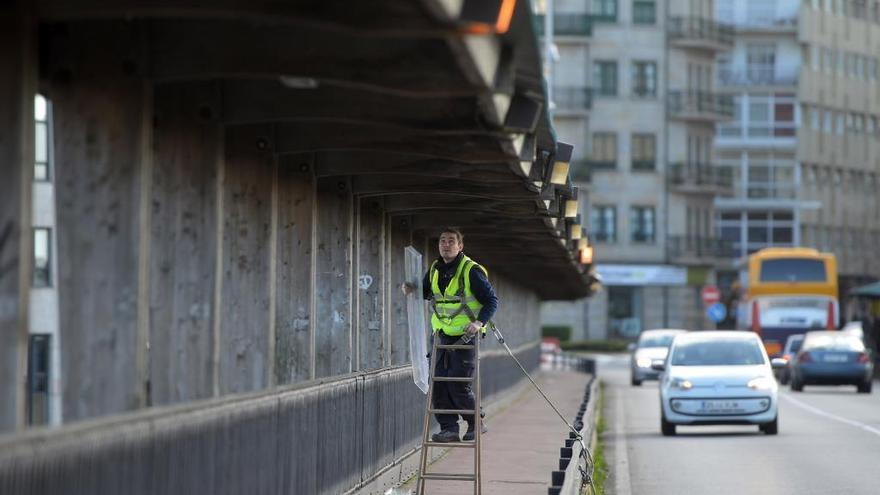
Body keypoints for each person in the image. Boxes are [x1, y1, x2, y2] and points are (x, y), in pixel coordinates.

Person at [403, 227, 498, 442]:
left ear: (460, 246)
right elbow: (425, 292)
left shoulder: (470, 270)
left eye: (451, 241)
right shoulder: (436, 269)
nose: (446, 244)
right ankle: (449, 429)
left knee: (457, 382)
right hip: (440, 335)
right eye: (442, 241)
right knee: (437, 383)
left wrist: (478, 322)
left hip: (464, 336)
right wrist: (411, 288)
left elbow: (492, 301)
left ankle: (475, 422)